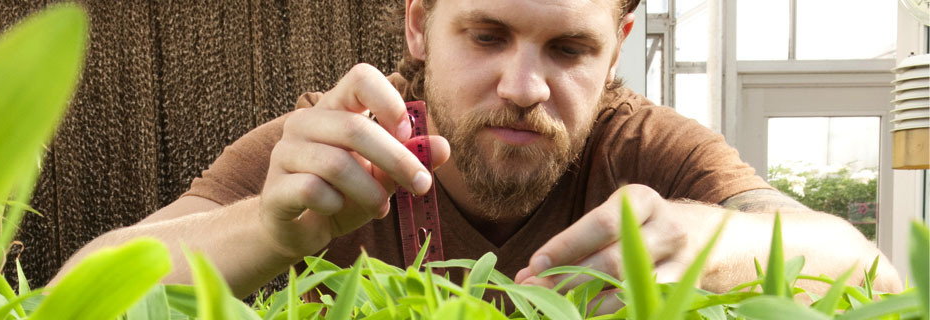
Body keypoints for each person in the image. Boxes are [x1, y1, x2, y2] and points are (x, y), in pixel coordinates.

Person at [51, 0, 901, 311]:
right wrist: (271, 228)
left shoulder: (644, 148)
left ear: (618, 49)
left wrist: (717, 240)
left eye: (569, 48)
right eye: (486, 35)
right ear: (419, 26)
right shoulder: (334, 146)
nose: (525, 85)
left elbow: (876, 273)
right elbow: (76, 288)